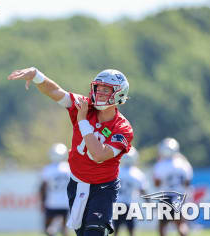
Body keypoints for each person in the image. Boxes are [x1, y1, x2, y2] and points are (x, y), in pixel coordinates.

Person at [8, 67, 133, 236]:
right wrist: (37, 75)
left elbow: (98, 155)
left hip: (104, 188)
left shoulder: (122, 128)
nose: (100, 93)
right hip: (77, 184)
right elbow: (55, 91)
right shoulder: (84, 105)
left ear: (119, 93)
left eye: (106, 89)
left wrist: (82, 121)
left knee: (94, 232)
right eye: (98, 88)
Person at [153, 138, 193, 236]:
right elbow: (187, 182)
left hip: (166, 196)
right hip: (179, 196)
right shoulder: (184, 164)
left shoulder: (160, 165)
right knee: (181, 224)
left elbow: (157, 183)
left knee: (162, 226)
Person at [114, 147, 147, 236]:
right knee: (131, 231)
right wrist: (148, 202)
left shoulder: (116, 171)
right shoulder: (137, 174)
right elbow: (142, 190)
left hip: (118, 204)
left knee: (116, 230)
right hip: (129, 204)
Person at [40, 143, 71, 236]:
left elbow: (43, 187)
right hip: (65, 203)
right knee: (64, 229)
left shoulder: (48, 169)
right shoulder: (69, 168)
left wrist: (42, 201)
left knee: (47, 229)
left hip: (52, 202)